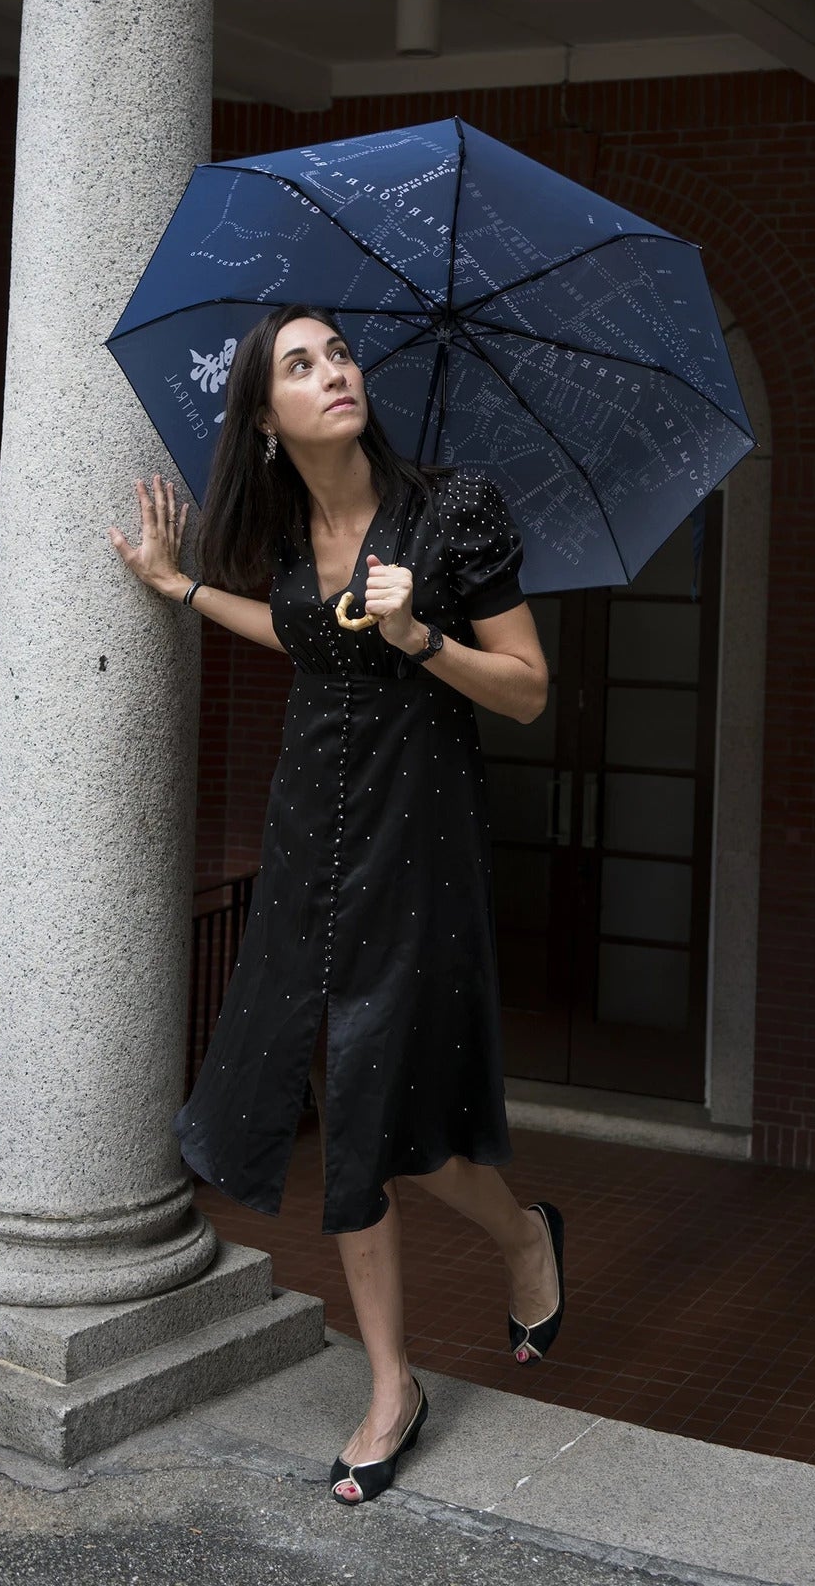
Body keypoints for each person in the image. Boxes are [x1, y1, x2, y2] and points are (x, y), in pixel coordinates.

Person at [109, 301, 565, 1506]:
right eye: (301, 366)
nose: (334, 373)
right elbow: (304, 636)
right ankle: (391, 1380)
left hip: (420, 836)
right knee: (340, 1090)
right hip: (312, 827)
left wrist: (420, 632)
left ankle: (521, 1235)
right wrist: (177, 586)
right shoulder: (286, 526)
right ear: (265, 417)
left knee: (384, 1111)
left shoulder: (453, 506)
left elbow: (525, 691)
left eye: (340, 353)